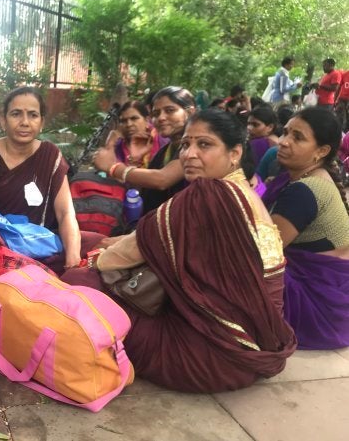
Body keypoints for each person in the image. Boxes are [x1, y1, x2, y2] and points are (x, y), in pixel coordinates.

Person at [63, 109, 297, 393]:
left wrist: (87, 265)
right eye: (186, 144)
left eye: (205, 144)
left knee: (79, 282)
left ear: (234, 152)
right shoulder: (245, 192)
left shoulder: (207, 195)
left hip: (207, 358)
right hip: (255, 349)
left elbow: (123, 255)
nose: (189, 154)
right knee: (98, 242)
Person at [0, 86, 103, 278]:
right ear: (3, 121)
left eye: (33, 115)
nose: (24, 122)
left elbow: (65, 213)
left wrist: (72, 261)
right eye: (16, 114)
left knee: (99, 244)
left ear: (42, 123)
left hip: (40, 242)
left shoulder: (50, 155)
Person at [262, 107, 349, 349]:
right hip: (334, 304)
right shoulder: (304, 178)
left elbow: (263, 253)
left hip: (318, 308)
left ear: (321, 151)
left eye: (297, 137)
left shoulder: (305, 190)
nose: (283, 141)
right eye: (286, 132)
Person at [94, 86, 195, 214]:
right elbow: (144, 190)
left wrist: (112, 167)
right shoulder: (164, 151)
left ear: (190, 113)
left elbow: (162, 180)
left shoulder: (194, 148)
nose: (161, 118)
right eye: (156, 113)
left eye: (170, 110)